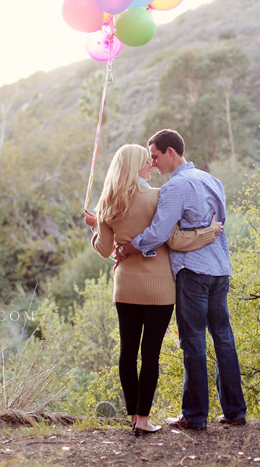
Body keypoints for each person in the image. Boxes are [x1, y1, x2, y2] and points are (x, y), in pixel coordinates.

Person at [83, 144, 222, 435]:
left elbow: (106, 249)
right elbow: (172, 240)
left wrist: (96, 227)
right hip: (159, 289)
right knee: (151, 355)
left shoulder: (107, 203)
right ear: (136, 166)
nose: (151, 167)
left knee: (127, 352)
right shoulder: (159, 197)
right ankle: (144, 421)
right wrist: (207, 233)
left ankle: (133, 416)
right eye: (146, 163)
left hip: (126, 288)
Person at [115, 129, 247, 430]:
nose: (154, 163)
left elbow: (160, 234)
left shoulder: (175, 187)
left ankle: (195, 416)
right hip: (220, 269)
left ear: (170, 152)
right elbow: (219, 225)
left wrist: (128, 247)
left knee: (193, 341)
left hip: (192, 272)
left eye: (156, 156)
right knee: (224, 337)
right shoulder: (212, 180)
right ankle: (235, 411)